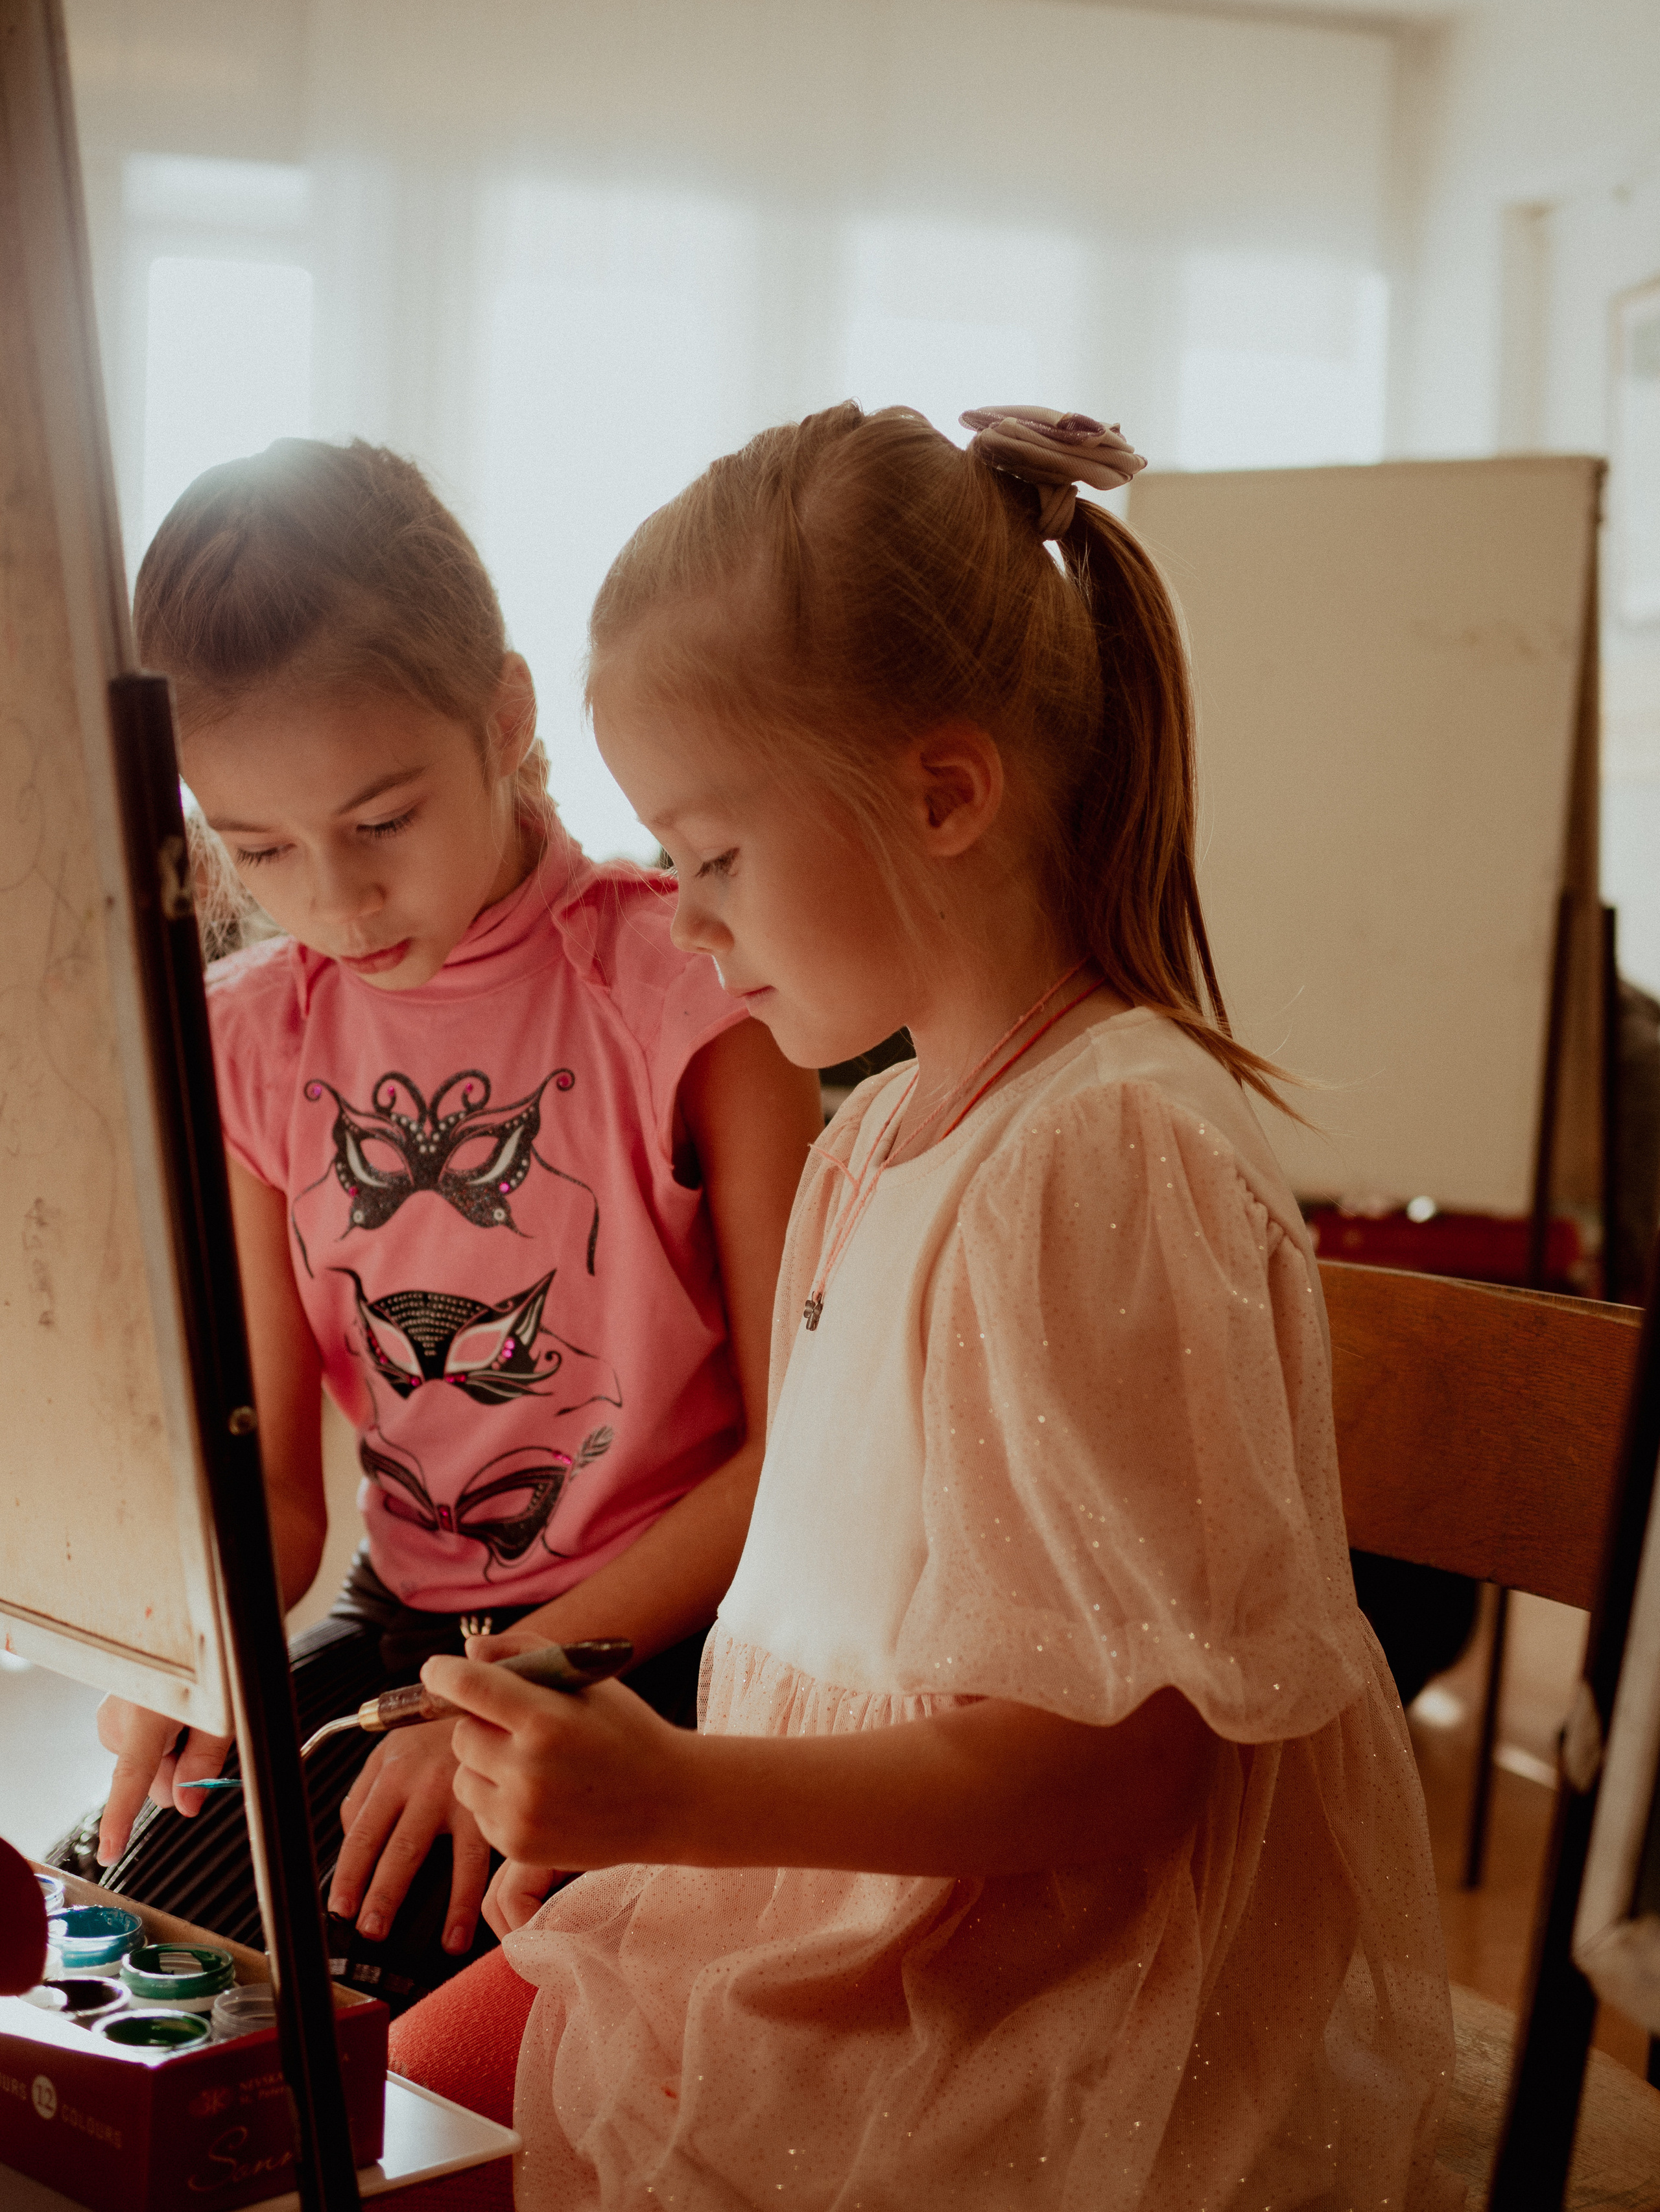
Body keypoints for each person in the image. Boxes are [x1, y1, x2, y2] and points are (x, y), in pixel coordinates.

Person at [387, 401, 1462, 2211]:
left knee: (439, 2126)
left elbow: (1116, 1786)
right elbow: (852, 1607)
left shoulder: (1104, 1152)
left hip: (1038, 1983)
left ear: (944, 794)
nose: (685, 926)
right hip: (844, 1902)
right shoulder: (878, 1126)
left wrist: (674, 1811)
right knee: (405, 2085)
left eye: (714, 857)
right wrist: (621, 1794)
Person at [54, 438, 822, 2015]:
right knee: (142, 1929)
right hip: (405, 1623)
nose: (329, 902)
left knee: (399, 2000)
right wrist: (186, 1656)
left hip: (665, 1635)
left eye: (381, 818)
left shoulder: (692, 989)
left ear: (508, 721)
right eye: (256, 851)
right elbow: (278, 1491)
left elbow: (799, 1465)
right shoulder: (247, 1036)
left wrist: (496, 1686)